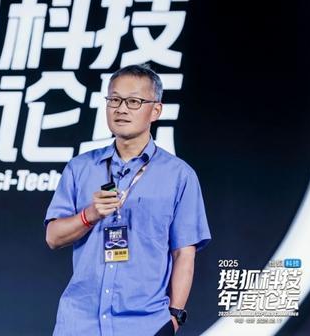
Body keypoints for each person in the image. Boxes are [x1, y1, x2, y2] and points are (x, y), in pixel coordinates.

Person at [44, 63, 211, 336]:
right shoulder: (80, 168)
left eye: (134, 101)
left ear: (155, 110)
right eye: (114, 100)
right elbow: (53, 237)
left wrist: (174, 316)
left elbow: (184, 253)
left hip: (145, 324)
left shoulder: (179, 176)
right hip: (80, 323)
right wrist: (89, 215)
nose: (121, 109)